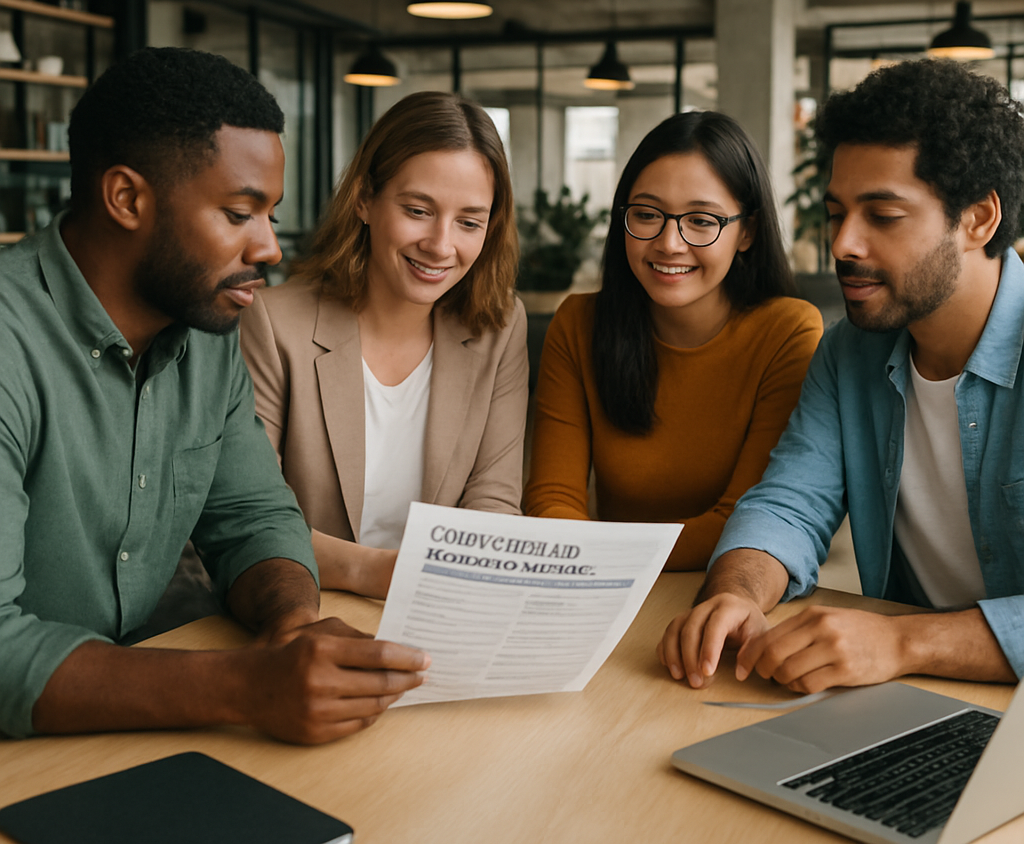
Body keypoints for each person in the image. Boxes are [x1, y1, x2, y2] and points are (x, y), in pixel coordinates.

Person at [0, 47, 429, 742]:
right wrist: (248, 687)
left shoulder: (206, 327)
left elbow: (253, 517)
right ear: (127, 198)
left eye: (271, 215)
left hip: (109, 740)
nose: (269, 248)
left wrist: (291, 622)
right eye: (239, 214)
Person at [659, 59, 1024, 694]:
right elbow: (789, 506)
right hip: (916, 696)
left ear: (977, 220)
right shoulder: (849, 352)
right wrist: (738, 595)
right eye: (836, 212)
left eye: (882, 215)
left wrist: (901, 641)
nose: (843, 244)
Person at [239, 91, 527, 599]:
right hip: (301, 609)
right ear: (364, 200)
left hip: (443, 611)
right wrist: (378, 574)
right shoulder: (272, 323)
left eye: (469, 222)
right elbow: (250, 517)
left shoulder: (500, 326)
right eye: (418, 210)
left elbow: (494, 498)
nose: (441, 245)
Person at [523, 111, 822, 570]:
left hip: (720, 588)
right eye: (646, 214)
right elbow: (552, 501)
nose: (668, 243)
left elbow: (746, 521)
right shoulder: (579, 323)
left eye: (701, 221)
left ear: (747, 232)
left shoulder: (787, 332)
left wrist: (595, 552)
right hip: (594, 589)